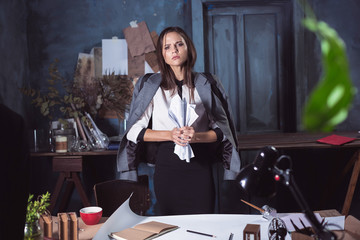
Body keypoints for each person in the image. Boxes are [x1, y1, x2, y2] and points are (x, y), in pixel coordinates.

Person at [117, 26, 241, 215]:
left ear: (188, 48)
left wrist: (196, 137)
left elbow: (223, 131)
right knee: (170, 226)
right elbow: (134, 131)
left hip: (200, 167)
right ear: (162, 55)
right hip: (167, 166)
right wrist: (170, 134)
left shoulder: (208, 83)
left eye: (179, 44)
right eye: (167, 47)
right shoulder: (151, 85)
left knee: (204, 224)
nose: (174, 50)